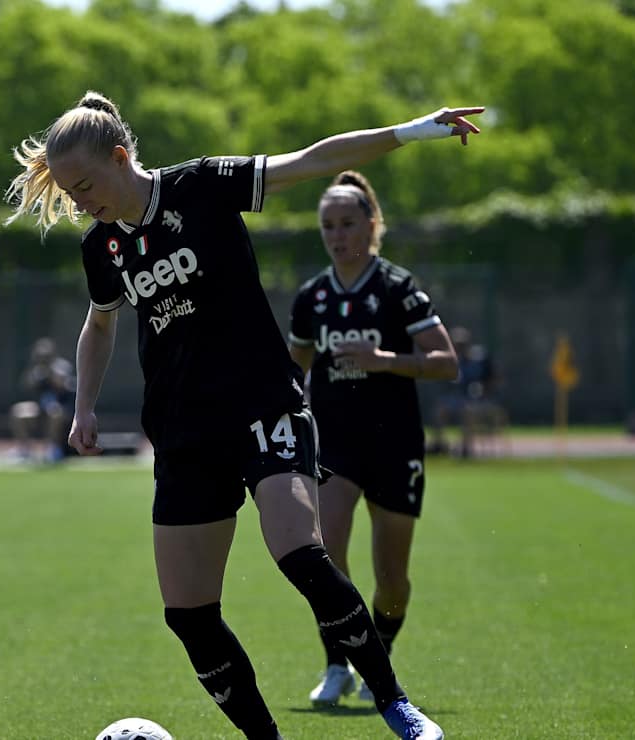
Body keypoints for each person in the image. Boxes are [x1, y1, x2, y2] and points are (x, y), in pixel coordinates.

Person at [5, 90, 483, 740]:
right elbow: (100, 324)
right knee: (188, 615)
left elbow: (312, 160)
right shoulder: (102, 246)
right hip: (182, 431)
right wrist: (83, 406)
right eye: (69, 193)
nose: (80, 202)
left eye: (84, 186)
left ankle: (395, 704)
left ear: (120, 157)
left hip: (262, 402)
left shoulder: (202, 185)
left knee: (301, 555)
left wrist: (414, 130)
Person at [286, 171, 460, 708]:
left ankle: (377, 654)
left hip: (394, 444)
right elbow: (294, 369)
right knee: (324, 558)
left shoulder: (398, 289)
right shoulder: (312, 297)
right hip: (334, 444)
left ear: (371, 224)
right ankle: (337, 664)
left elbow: (446, 362)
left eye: (346, 224)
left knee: (391, 581)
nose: (337, 235)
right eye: (328, 226)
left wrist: (384, 360)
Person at [429, 326, 502, 457]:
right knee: (441, 408)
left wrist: (484, 388)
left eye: (462, 344)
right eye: (457, 345)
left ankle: (465, 448)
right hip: (459, 397)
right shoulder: (453, 360)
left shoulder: (480, 358)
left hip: (480, 399)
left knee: (468, 411)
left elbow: (495, 379)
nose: (459, 348)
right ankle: (439, 444)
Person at [9, 336, 77, 462]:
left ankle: (53, 449)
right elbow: (27, 384)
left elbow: (61, 383)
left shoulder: (61, 366)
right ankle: (24, 450)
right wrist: (38, 372)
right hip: (42, 410)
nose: (43, 358)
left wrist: (49, 371)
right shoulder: (37, 369)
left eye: (45, 355)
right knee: (18, 411)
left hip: (63, 409)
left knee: (55, 412)